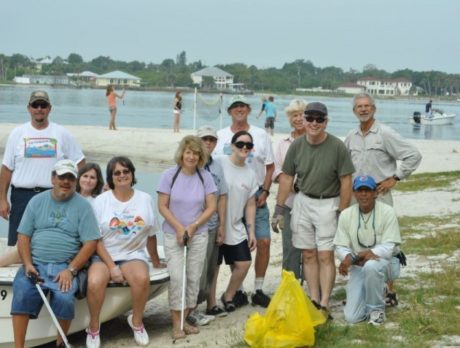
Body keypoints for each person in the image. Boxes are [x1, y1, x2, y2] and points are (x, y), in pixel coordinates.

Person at [272, 101, 354, 319]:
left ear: (326, 122)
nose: (314, 123)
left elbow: (346, 180)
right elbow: (287, 177)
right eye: (310, 118)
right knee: (308, 254)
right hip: (303, 202)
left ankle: (325, 303)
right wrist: (279, 209)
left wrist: (343, 211)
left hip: (329, 203)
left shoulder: (337, 146)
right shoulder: (296, 146)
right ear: (304, 120)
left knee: (325, 255)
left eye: (319, 119)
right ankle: (314, 299)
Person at [10, 159, 100, 348]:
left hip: (65, 266)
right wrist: (27, 264)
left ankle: (60, 343)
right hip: (35, 264)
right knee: (22, 293)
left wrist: (71, 269)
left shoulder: (83, 207)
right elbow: (23, 235)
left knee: (65, 298)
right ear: (53, 178)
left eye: (70, 178)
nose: (66, 182)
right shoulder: (36, 201)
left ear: (75, 181)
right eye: (62, 177)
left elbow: (91, 242)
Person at [344, 92, 421, 304]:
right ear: (354, 111)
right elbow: (343, 166)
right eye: (359, 106)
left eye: (367, 106)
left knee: (384, 241)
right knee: (357, 239)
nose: (363, 109)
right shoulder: (351, 136)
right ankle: (362, 287)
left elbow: (413, 155)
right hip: (356, 196)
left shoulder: (385, 133)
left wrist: (395, 177)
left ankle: (390, 291)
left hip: (379, 195)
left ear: (374, 109)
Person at [86, 156, 163, 347]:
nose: (122, 175)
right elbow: (95, 239)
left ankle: (136, 322)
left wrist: (155, 260)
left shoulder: (145, 198)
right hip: (103, 254)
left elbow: (151, 234)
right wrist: (112, 267)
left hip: (132, 254)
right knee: (95, 281)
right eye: (117, 173)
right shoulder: (101, 201)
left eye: (126, 171)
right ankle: (94, 327)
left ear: (132, 174)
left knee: (142, 279)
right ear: (111, 178)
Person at [0, 90, 85, 247]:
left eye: (43, 105)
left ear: (49, 108)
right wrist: (2, 199)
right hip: (22, 196)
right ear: (29, 108)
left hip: (54, 196)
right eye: (35, 105)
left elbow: (80, 163)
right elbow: (6, 169)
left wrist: (77, 191)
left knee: (49, 243)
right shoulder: (17, 134)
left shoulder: (62, 133)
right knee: (18, 245)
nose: (39, 109)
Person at [213, 95, 275, 308]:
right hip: (226, 198)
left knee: (264, 241)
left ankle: (258, 288)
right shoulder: (220, 135)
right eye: (235, 106)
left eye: (243, 106)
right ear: (229, 110)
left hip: (255, 194)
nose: (239, 109)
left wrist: (266, 190)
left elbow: (270, 166)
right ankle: (237, 291)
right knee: (232, 244)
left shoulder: (261, 134)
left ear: (249, 109)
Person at [157, 135, 217, 340]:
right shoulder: (169, 175)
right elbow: (162, 206)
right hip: (172, 232)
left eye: (196, 153)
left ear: (201, 156)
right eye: (188, 152)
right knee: (176, 277)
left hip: (198, 233)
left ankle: (184, 319)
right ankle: (176, 325)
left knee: (193, 278)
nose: (191, 156)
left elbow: (211, 207)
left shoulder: (205, 177)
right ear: (182, 153)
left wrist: (192, 226)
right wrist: (179, 228)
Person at [0, 162, 104, 268]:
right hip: (43, 246)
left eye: (92, 178)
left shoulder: (95, 202)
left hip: (72, 248)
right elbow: (23, 235)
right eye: (85, 176)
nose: (88, 180)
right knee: (24, 241)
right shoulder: (59, 195)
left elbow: (93, 239)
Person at [334, 175, 402, 326]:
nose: (363, 194)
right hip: (359, 265)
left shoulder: (387, 212)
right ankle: (374, 292)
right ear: (354, 193)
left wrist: (358, 255)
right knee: (353, 317)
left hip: (386, 263)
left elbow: (389, 247)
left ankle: (377, 311)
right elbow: (340, 246)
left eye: (368, 190)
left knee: (372, 266)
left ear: (375, 193)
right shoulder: (346, 214)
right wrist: (346, 258)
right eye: (360, 190)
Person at [187, 126, 228, 326]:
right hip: (193, 228)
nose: (208, 143)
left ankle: (195, 308)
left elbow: (222, 196)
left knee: (210, 270)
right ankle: (189, 311)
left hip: (212, 226)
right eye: (204, 139)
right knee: (196, 270)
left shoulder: (218, 165)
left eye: (212, 139)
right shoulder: (189, 164)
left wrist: (222, 225)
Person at [217, 131, 258, 313]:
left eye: (248, 146)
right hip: (214, 225)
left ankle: (228, 295)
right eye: (240, 144)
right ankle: (209, 303)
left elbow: (250, 204)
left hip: (235, 225)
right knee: (213, 268)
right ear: (232, 145)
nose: (244, 148)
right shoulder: (219, 162)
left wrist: (251, 232)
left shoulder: (250, 174)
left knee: (243, 263)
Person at [272, 99, 307, 279]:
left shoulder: (316, 140)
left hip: (311, 202)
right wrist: (291, 184)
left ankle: (311, 290)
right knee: (290, 247)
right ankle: (289, 285)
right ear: (290, 119)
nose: (299, 119)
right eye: (295, 115)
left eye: (302, 114)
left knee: (310, 249)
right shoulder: (283, 143)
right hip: (288, 203)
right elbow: (277, 171)